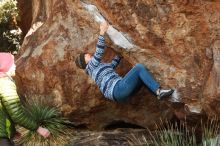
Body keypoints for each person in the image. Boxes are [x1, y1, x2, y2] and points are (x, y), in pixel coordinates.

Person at [75, 21, 174, 102]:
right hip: (117, 89)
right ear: (85, 62)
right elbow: (99, 52)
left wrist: (120, 54)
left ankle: (159, 95)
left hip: (120, 95)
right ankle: (158, 91)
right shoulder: (91, 67)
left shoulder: (97, 68)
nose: (88, 54)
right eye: (85, 56)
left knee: (141, 78)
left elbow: (112, 65)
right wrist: (102, 31)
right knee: (139, 68)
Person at [0, 53, 50, 146]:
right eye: (12, 64)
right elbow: (16, 114)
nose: (15, 66)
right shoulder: (4, 83)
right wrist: (38, 128)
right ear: (5, 66)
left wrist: (12, 131)